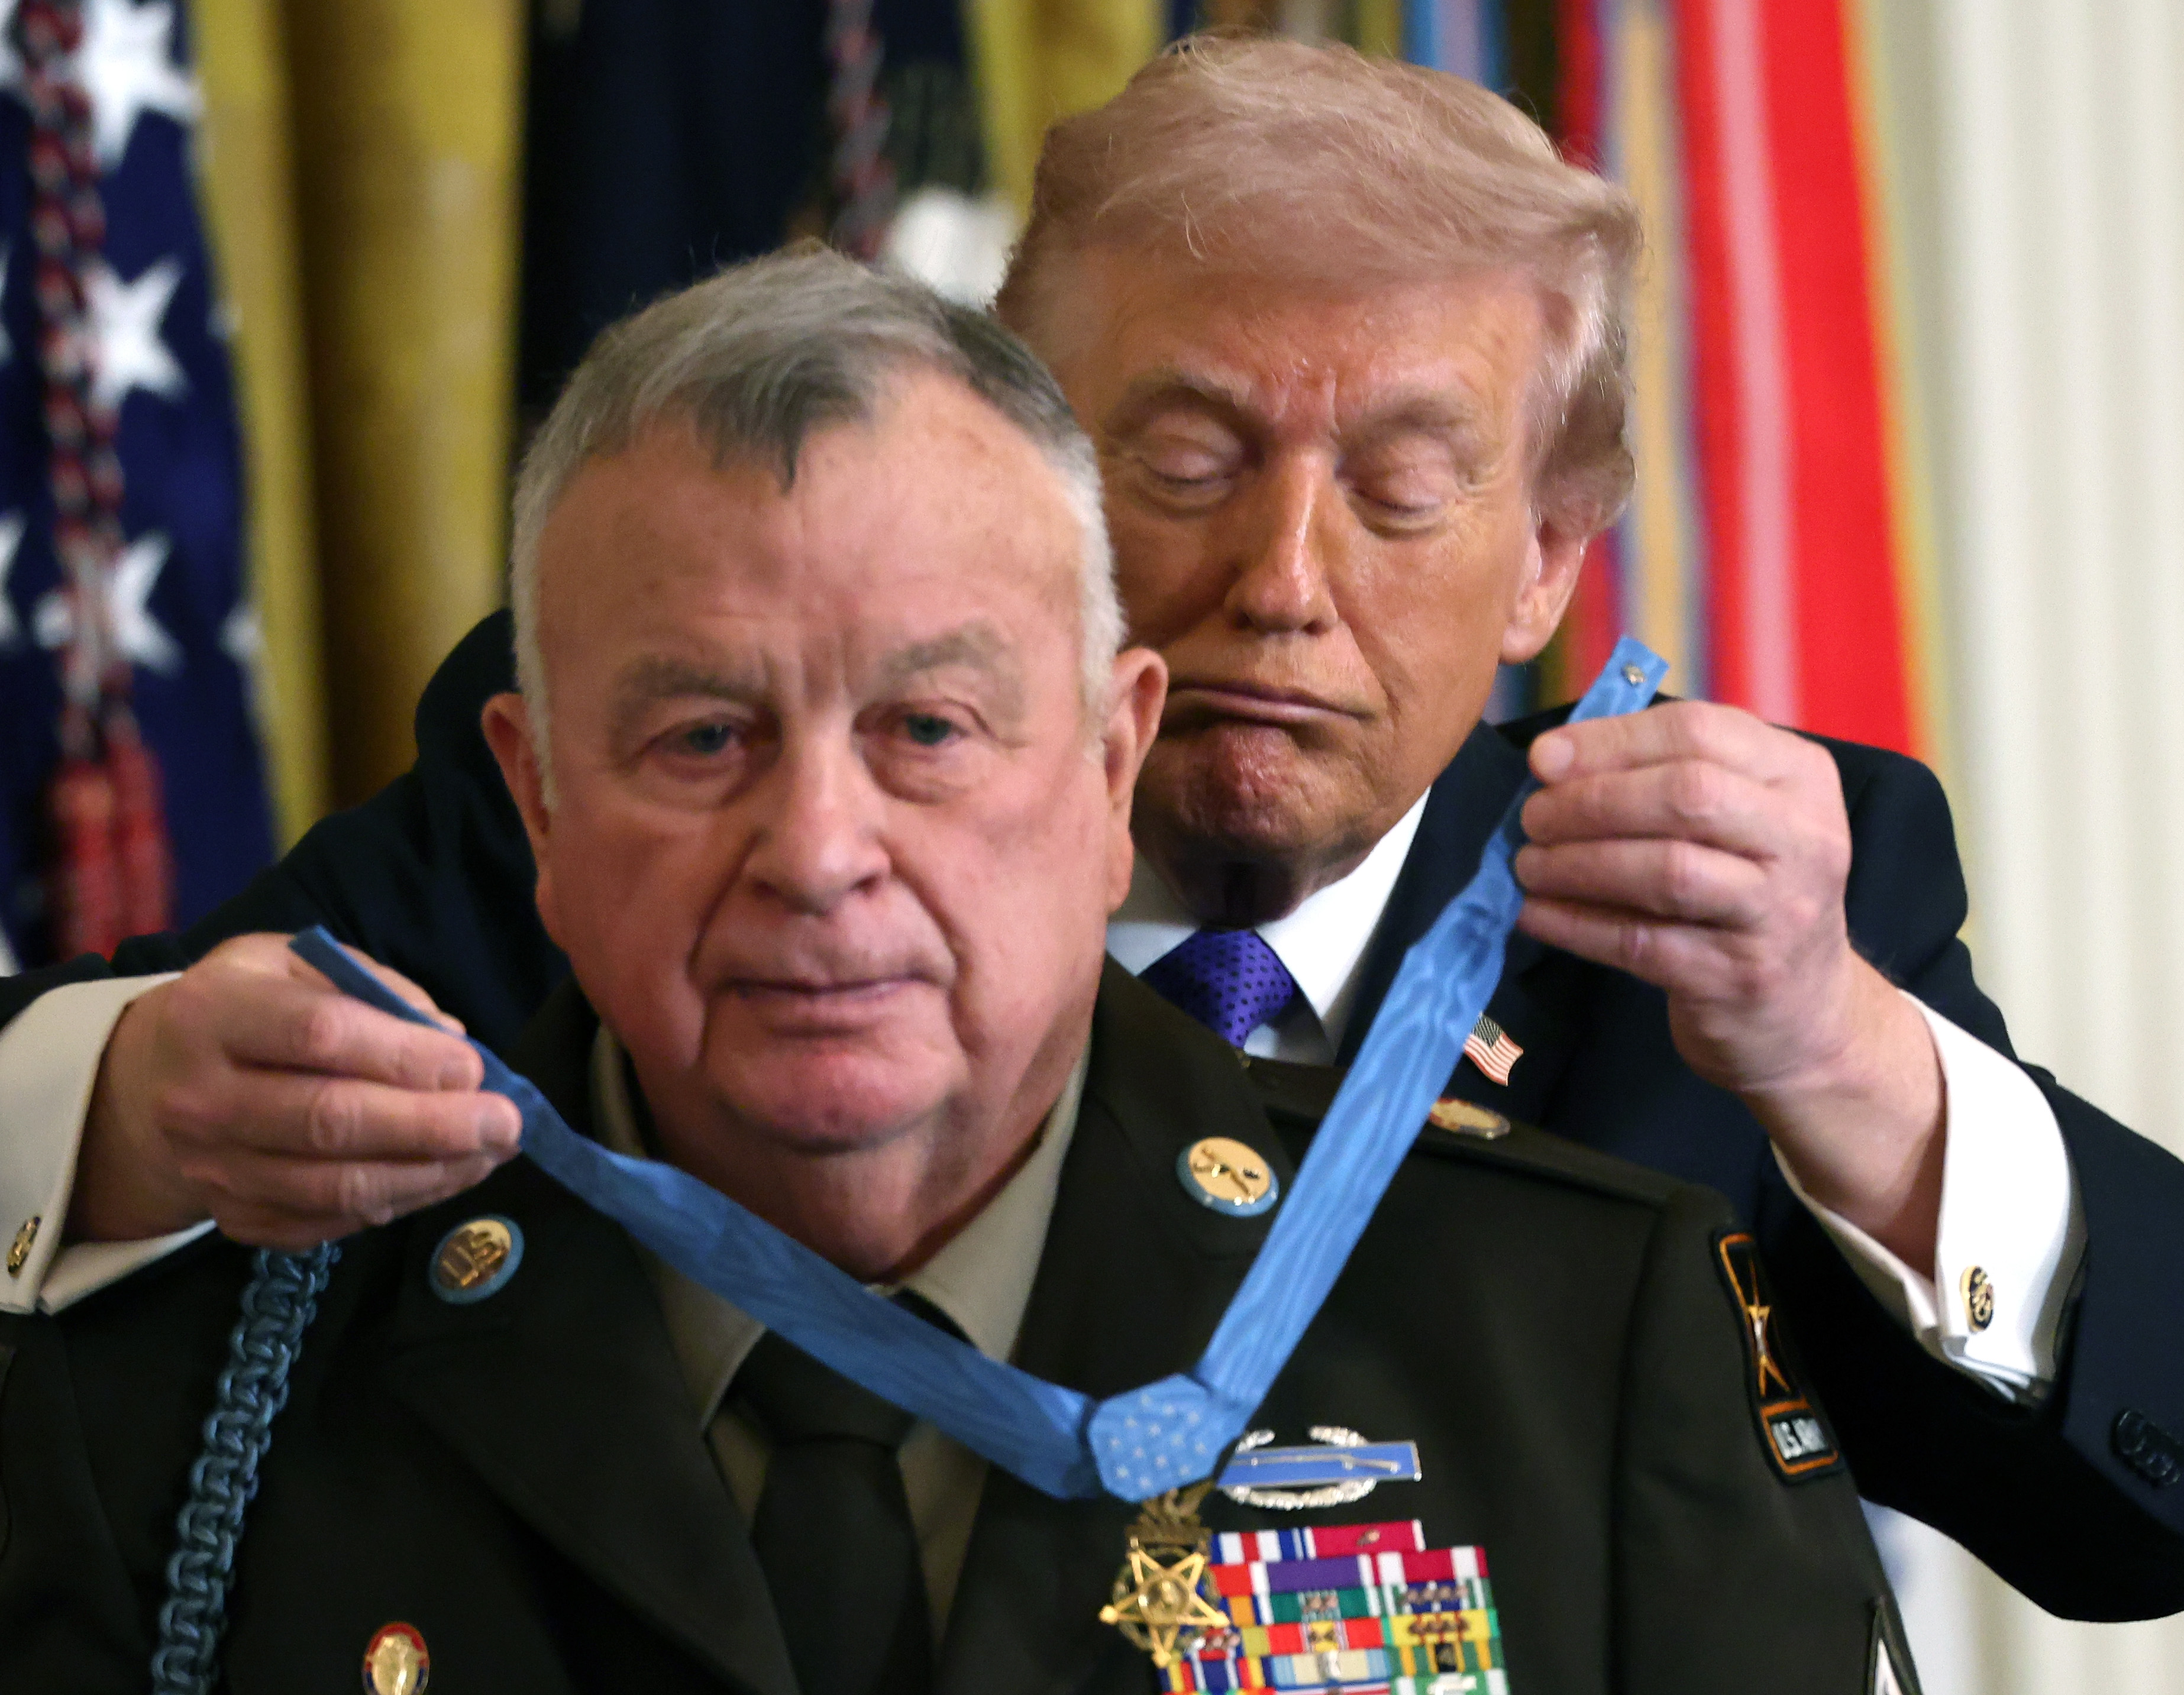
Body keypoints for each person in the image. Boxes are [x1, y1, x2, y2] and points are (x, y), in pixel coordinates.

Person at [1, 34, 2179, 1618]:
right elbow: (113, 1109)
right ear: (1016, 463)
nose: (1284, 580)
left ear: (1547, 562)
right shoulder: (705, 786)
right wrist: (128, 1102)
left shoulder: (1727, 920)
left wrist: (1840, 1052)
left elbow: (2139, 1527)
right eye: (1186, 453)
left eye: (1405, 485)